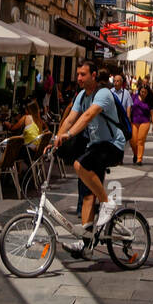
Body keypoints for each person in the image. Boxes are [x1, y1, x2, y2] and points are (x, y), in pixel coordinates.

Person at [54, 60, 124, 249]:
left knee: (79, 165)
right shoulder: (81, 96)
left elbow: (87, 116)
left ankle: (107, 203)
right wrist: (57, 138)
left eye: (83, 74)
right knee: (86, 196)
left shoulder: (103, 94)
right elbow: (70, 118)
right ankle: (85, 244)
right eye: (78, 74)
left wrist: (68, 135)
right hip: (96, 147)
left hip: (112, 145)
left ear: (94, 76)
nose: (79, 78)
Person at [130, 83, 153, 163]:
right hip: (134, 121)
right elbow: (129, 107)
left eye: (144, 92)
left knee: (140, 140)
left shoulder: (149, 100)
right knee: (133, 141)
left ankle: (139, 159)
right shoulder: (134, 97)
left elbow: (152, 113)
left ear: (147, 93)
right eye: (141, 91)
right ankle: (136, 154)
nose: (142, 93)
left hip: (145, 121)